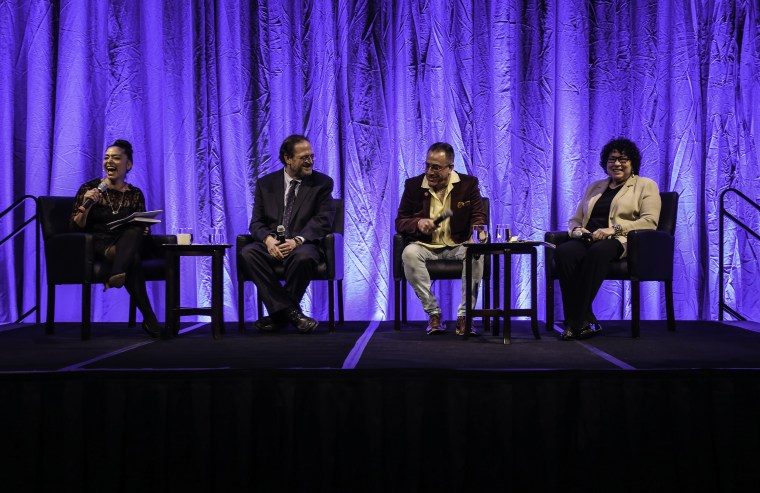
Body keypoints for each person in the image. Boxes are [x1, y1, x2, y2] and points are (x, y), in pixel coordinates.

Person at [555, 138, 661, 340]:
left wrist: (614, 230)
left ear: (632, 163)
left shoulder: (646, 185)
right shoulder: (595, 187)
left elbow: (650, 222)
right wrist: (577, 230)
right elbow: (575, 219)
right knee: (564, 252)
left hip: (621, 241)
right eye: (612, 159)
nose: (617, 164)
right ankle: (584, 319)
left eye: (623, 159)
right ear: (605, 163)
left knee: (599, 251)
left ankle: (574, 321)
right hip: (589, 239)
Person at [239, 134, 335, 333]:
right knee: (248, 253)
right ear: (287, 159)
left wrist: (297, 241)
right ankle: (293, 314)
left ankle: (278, 315)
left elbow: (323, 220)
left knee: (304, 257)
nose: (310, 161)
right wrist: (268, 241)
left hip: (303, 244)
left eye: (311, 156)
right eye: (304, 157)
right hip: (273, 244)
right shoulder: (266, 184)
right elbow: (256, 222)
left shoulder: (322, 183)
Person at [70, 139, 162, 338]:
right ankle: (149, 317)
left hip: (129, 241)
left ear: (128, 164)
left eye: (116, 158)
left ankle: (117, 273)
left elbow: (143, 225)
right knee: (133, 260)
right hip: (100, 243)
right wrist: (89, 204)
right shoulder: (90, 188)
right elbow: (76, 224)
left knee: (137, 229)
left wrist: (144, 230)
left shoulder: (135, 194)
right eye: (106, 157)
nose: (109, 161)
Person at [395, 142, 487, 336]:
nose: (430, 171)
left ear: (450, 168)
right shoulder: (413, 186)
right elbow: (401, 222)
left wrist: (477, 234)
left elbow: (478, 215)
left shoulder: (468, 184)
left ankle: (465, 316)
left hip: (459, 244)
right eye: (427, 165)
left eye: (436, 167)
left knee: (477, 255)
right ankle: (434, 313)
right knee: (409, 253)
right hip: (426, 245)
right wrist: (418, 223)